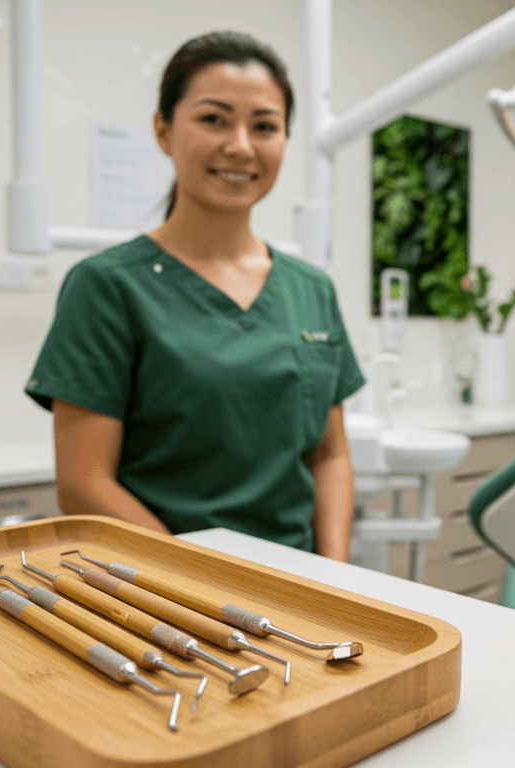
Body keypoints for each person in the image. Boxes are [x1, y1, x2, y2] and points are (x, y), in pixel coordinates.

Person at [25, 31, 363, 561]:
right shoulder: (108, 285)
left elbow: (329, 456)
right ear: (163, 131)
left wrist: (336, 574)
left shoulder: (311, 289)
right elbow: (84, 484)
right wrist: (206, 583)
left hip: (302, 587)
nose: (241, 146)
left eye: (265, 127)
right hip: (162, 591)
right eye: (214, 119)